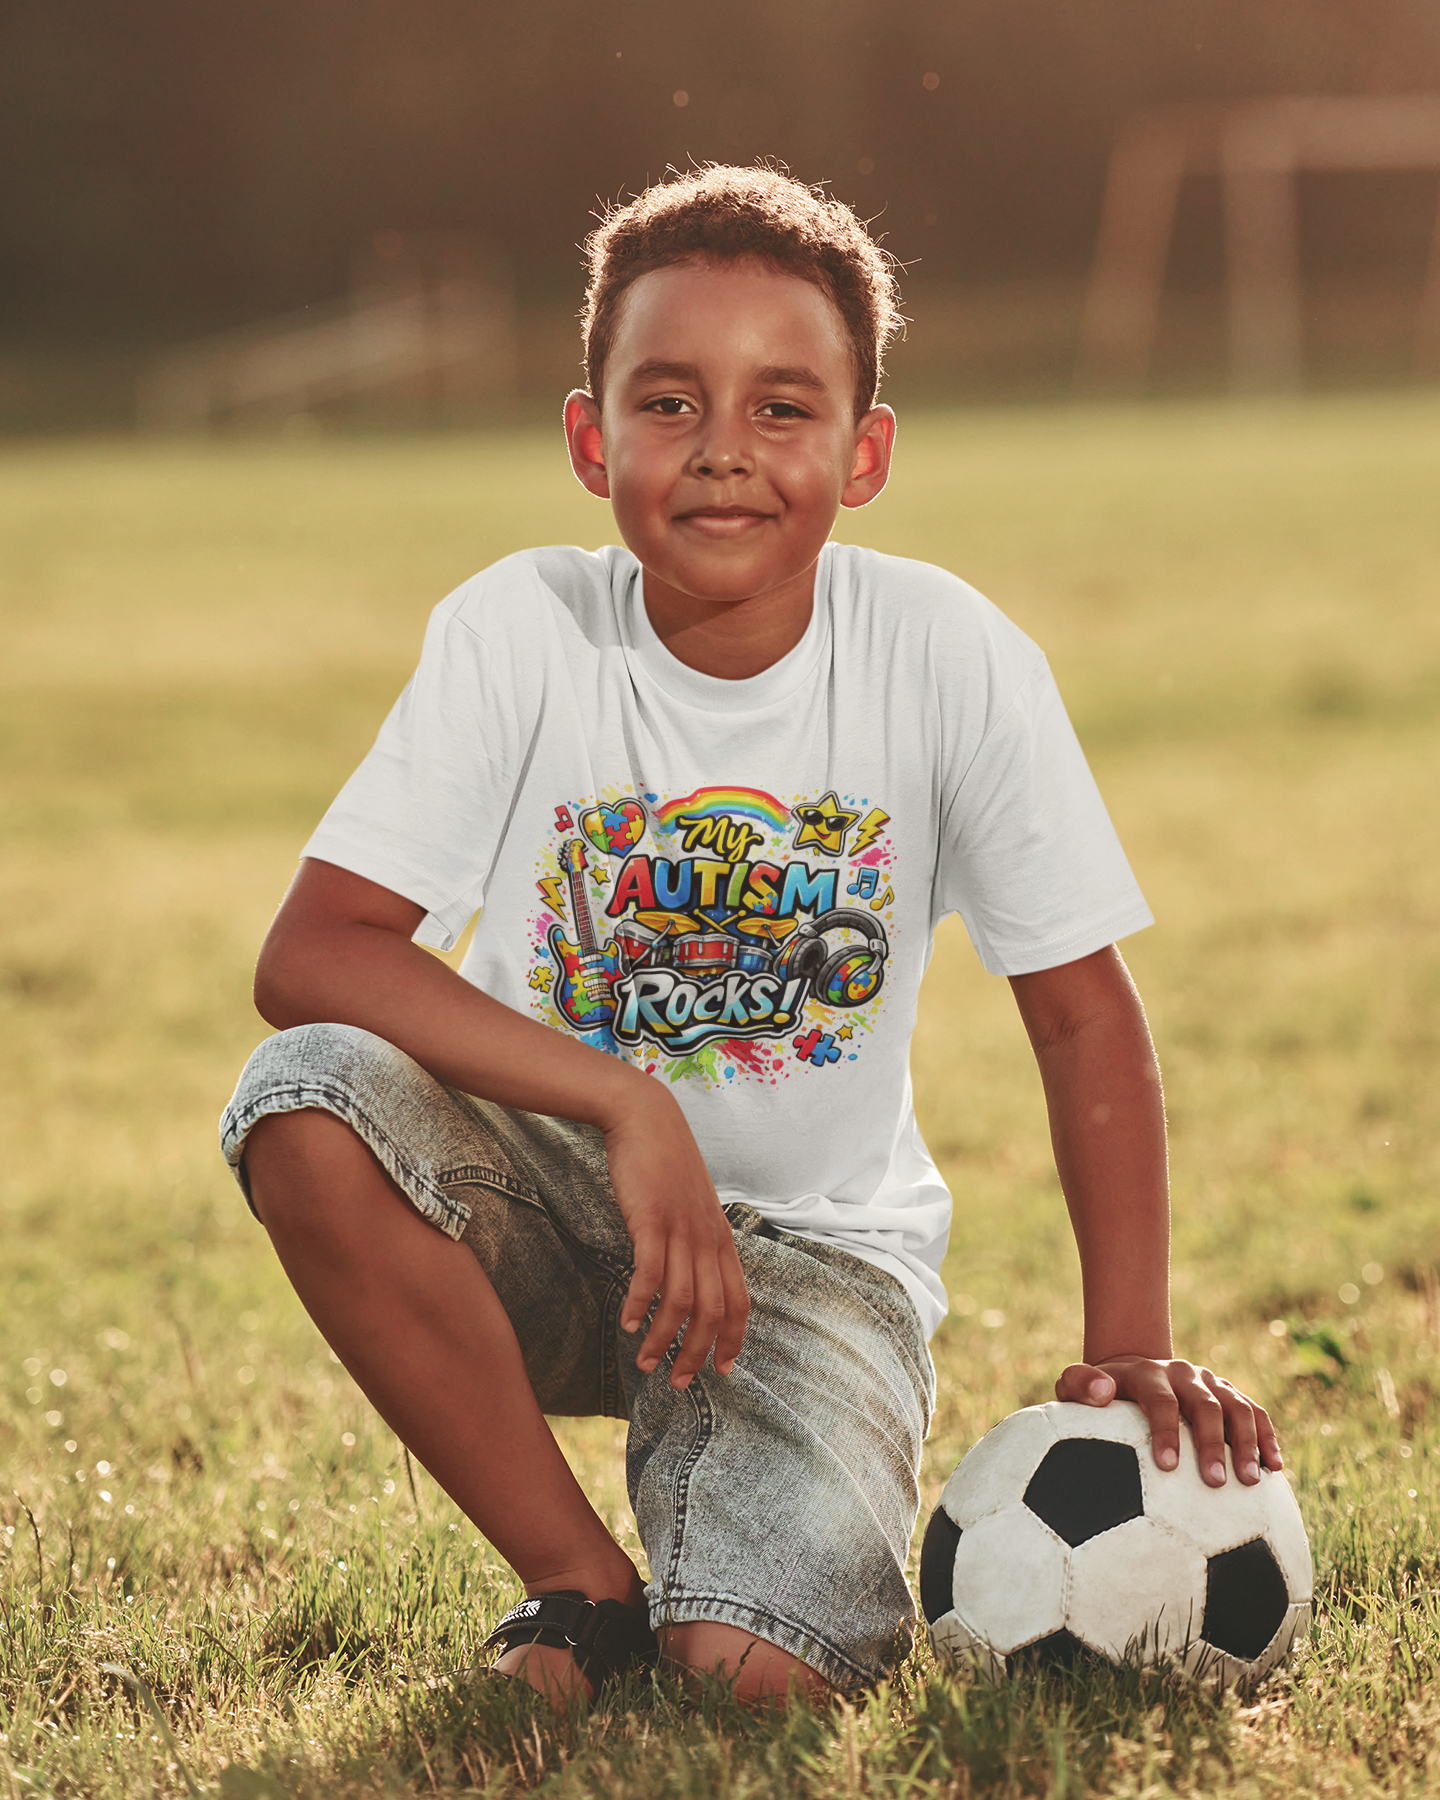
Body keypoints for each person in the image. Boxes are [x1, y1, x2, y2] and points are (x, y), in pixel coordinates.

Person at [219, 165, 1281, 1707]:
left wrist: (1133, 1338)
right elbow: (314, 955)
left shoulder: (947, 656)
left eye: (784, 410)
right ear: (591, 441)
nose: (724, 451)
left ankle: (722, 1560)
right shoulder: (521, 632)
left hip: (814, 1262)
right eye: (669, 402)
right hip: (559, 1205)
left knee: (754, 1682)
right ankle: (576, 1587)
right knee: (305, 1097)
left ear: (866, 452)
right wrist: (624, 1099)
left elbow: (1080, 1010)